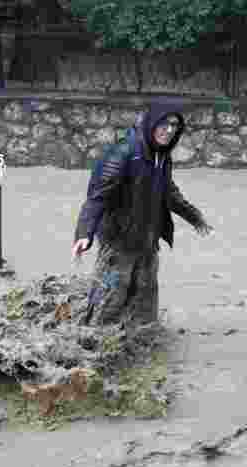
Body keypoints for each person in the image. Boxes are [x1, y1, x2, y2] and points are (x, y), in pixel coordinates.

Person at [72, 102, 213, 326]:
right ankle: (86, 338)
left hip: (147, 243)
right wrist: (84, 233)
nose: (169, 130)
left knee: (145, 309)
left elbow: (168, 192)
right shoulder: (123, 152)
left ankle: (138, 343)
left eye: (174, 125)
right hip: (118, 245)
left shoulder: (162, 156)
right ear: (151, 123)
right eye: (164, 124)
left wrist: (193, 216)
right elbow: (97, 198)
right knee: (106, 301)